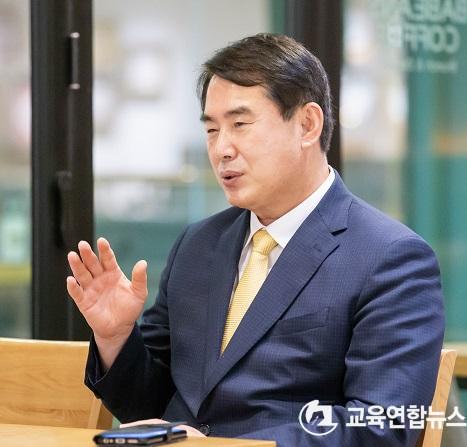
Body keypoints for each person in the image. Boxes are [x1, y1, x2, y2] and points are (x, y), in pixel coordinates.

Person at [67, 33, 445, 446]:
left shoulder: (390, 258)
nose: (222, 149)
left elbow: (380, 427)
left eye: (240, 125)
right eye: (212, 130)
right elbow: (149, 404)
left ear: (307, 124)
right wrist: (116, 337)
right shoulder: (198, 244)